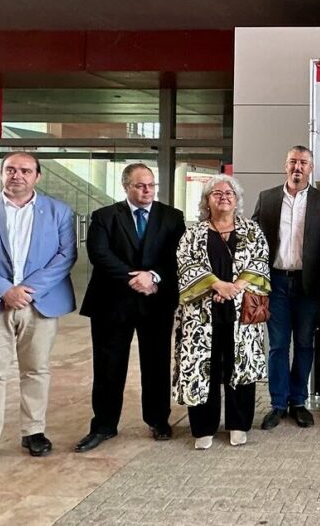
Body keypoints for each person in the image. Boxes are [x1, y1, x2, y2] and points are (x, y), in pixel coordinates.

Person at [0, 152, 77, 472]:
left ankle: (33, 431)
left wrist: (25, 291)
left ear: (37, 176)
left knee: (36, 370)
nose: (17, 175)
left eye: (25, 170)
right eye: (10, 169)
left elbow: (65, 257)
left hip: (39, 303)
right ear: (2, 173)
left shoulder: (58, 211)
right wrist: (3, 290)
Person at [75, 163, 186, 452]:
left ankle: (159, 420)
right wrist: (136, 278)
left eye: (151, 185)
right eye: (140, 185)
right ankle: (104, 425)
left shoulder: (172, 217)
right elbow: (99, 254)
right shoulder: (104, 216)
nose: (147, 190)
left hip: (156, 301)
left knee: (156, 363)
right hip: (112, 303)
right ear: (126, 187)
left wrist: (154, 276)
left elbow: (177, 256)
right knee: (108, 366)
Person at [173, 175, 271, 449]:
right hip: (201, 315)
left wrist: (235, 286)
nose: (224, 196)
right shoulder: (193, 233)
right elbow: (185, 265)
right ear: (206, 201)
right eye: (216, 193)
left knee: (239, 366)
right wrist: (216, 285)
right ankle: (203, 427)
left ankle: (239, 425)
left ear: (237, 200)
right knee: (205, 367)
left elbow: (260, 262)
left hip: (242, 314)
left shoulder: (252, 230)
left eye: (229, 193)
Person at [253, 146, 320, 430]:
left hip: (309, 285)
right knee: (278, 345)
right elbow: (254, 243)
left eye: (303, 163)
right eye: (292, 161)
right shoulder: (267, 199)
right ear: (285, 165)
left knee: (304, 344)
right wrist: (255, 283)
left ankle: (299, 402)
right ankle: (278, 404)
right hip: (275, 282)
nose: (297, 167)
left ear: (310, 168)